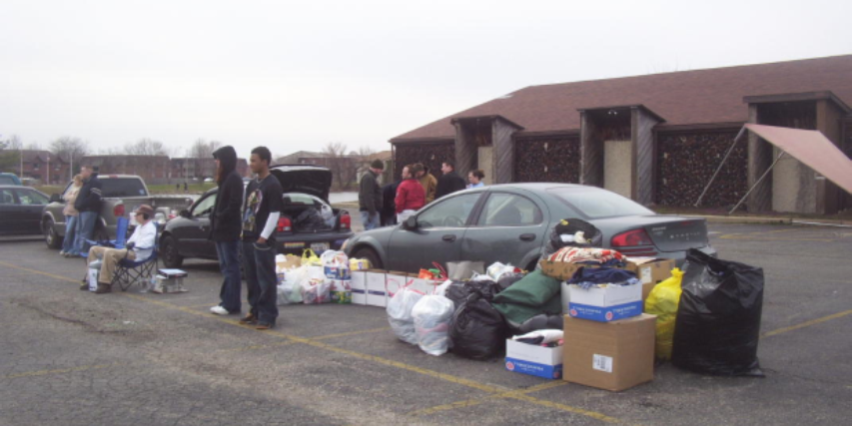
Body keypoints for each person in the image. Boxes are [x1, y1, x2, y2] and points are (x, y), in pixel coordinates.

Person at [240, 146, 283, 330]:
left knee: (266, 279)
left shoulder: (272, 184)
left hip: (262, 241)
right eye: (250, 161)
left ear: (264, 162)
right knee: (252, 278)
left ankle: (268, 316)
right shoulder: (252, 184)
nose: (251, 164)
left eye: (254, 161)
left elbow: (274, 213)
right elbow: (247, 210)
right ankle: (255, 310)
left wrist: (263, 237)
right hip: (248, 236)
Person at [82, 205, 157, 294]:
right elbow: (130, 240)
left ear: (145, 216)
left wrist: (132, 244)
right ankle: (91, 280)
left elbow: (147, 244)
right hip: (127, 250)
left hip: (137, 254)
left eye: (137, 214)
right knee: (94, 249)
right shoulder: (139, 227)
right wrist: (127, 243)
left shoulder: (151, 228)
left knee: (109, 252)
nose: (135, 217)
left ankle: (105, 283)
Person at [209, 146, 245, 316]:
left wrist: (220, 216)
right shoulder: (225, 179)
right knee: (225, 267)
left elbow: (234, 205)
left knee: (231, 267)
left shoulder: (234, 178)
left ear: (225, 160)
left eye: (218, 159)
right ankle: (226, 301)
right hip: (220, 230)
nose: (216, 162)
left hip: (229, 230)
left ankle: (231, 304)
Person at [70, 165, 102, 257]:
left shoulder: (95, 182)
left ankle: (82, 251)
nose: (81, 173)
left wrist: (82, 204)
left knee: (85, 231)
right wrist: (77, 204)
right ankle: (76, 250)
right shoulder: (85, 183)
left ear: (89, 171)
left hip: (89, 210)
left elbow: (94, 197)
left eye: (82, 171)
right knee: (78, 230)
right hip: (81, 210)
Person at [60, 174, 83, 257]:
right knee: (68, 231)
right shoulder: (72, 187)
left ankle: (73, 249)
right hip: (68, 210)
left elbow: (75, 199)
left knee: (70, 230)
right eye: (74, 180)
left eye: (76, 180)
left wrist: (70, 198)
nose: (75, 182)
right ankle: (66, 248)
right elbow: (65, 196)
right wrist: (70, 197)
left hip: (75, 212)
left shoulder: (81, 188)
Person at [358, 159, 384, 231]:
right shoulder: (369, 178)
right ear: (377, 168)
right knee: (372, 232)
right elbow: (368, 195)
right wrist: (373, 211)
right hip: (369, 211)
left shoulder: (370, 177)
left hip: (370, 210)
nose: (381, 172)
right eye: (381, 169)